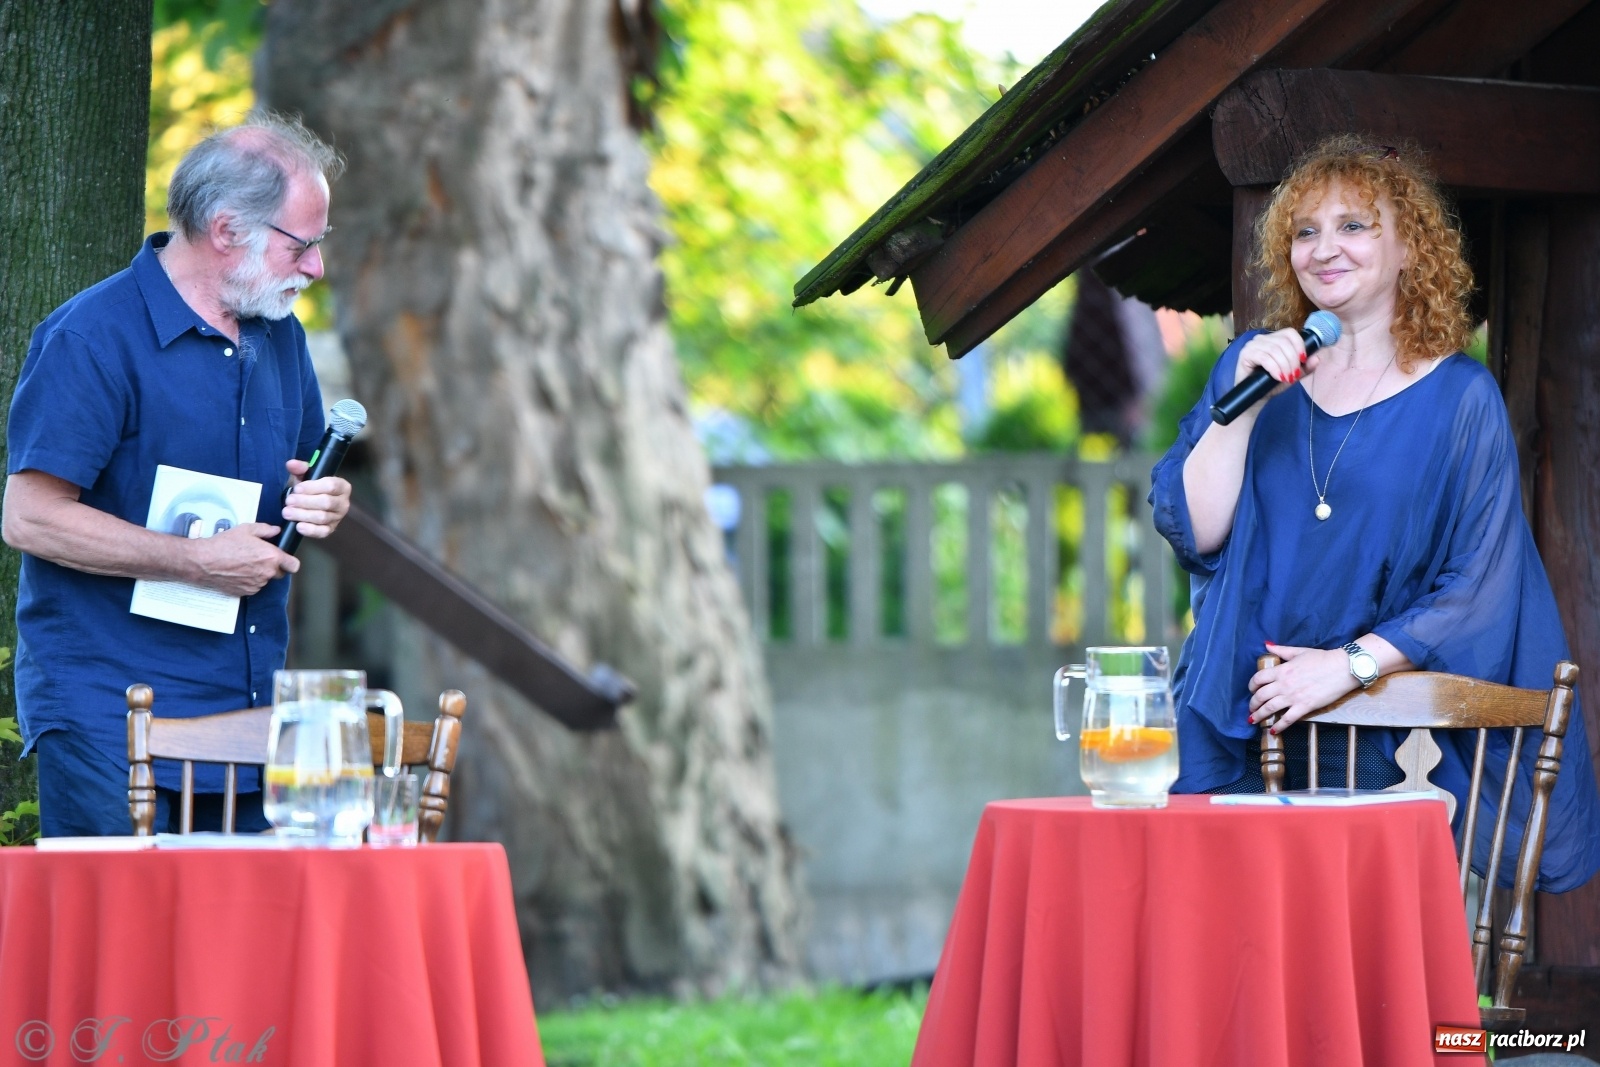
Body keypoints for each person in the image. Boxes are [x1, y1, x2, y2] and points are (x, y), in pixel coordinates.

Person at [1149, 134, 1600, 892]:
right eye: (1305, 230)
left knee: (1354, 963)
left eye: (1355, 225)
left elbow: (1477, 586)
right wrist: (1241, 411)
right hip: (1243, 714)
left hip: (1388, 737)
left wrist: (1345, 668)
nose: (1325, 247)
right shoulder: (1254, 370)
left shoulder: (1461, 398)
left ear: (1406, 250)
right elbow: (1197, 529)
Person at [3, 112, 353, 837]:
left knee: (235, 950)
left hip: (244, 714)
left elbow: (292, 484)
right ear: (226, 230)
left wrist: (321, 499)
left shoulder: (278, 333)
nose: (317, 267)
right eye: (303, 244)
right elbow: (28, 517)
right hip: (110, 715)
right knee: (119, 950)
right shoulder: (92, 336)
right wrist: (194, 561)